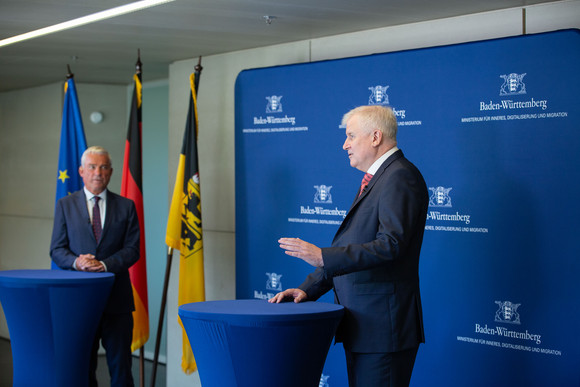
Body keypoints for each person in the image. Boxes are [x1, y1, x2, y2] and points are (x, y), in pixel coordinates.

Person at [269, 105, 428, 387]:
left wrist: (322, 257)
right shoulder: (379, 178)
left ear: (375, 137)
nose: (345, 145)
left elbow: (391, 245)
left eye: (351, 136)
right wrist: (307, 289)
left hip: (384, 330)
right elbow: (353, 245)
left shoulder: (399, 176)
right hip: (365, 327)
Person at [50, 146, 139, 387]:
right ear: (81, 171)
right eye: (92, 167)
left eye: (103, 167)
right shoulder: (65, 205)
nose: (98, 172)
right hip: (80, 303)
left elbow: (133, 250)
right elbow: (57, 250)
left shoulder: (127, 206)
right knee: (83, 367)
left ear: (111, 172)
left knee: (121, 369)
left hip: (117, 302)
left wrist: (105, 265)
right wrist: (76, 262)